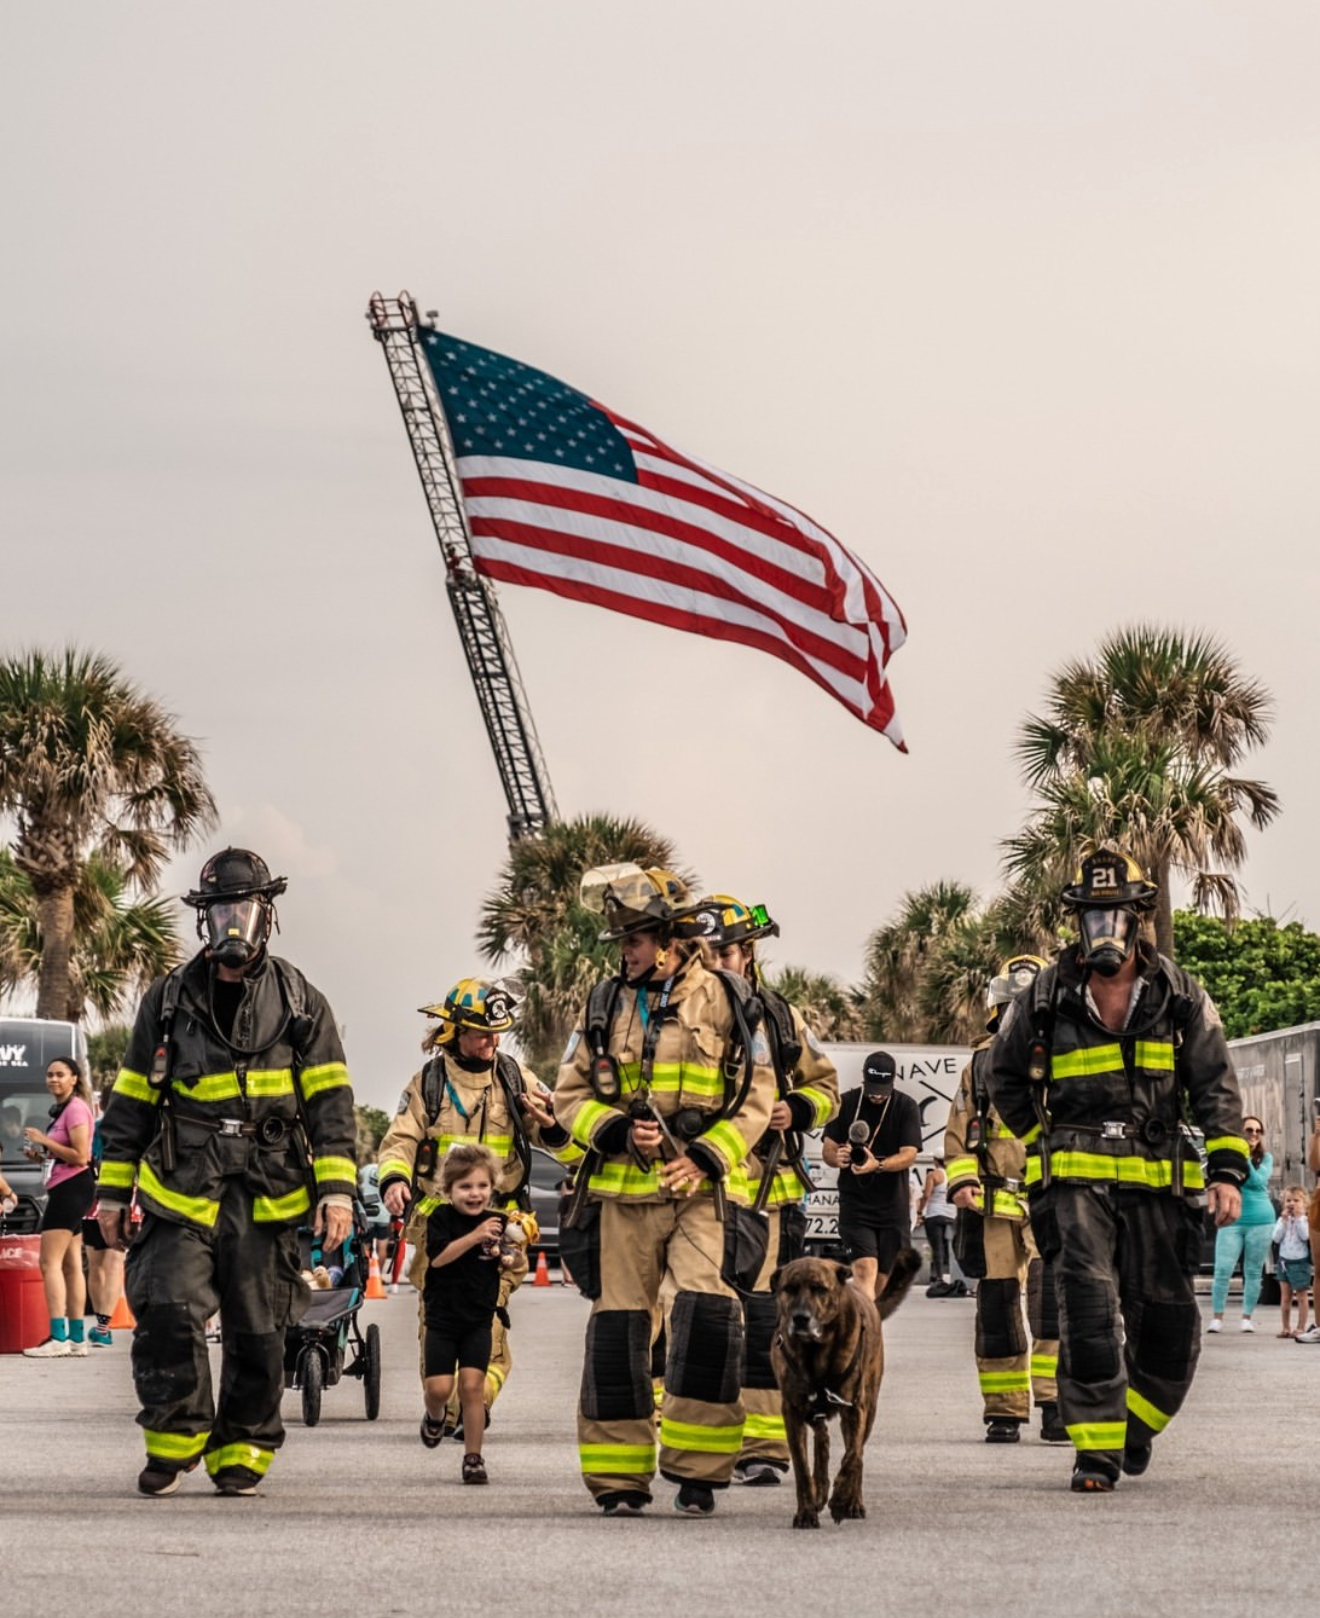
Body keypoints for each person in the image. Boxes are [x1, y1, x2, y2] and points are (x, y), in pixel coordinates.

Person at [95, 847, 357, 1498]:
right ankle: (176, 1435)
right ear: (203, 920)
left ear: (266, 916)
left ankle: (241, 1447)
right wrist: (109, 1191)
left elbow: (331, 1105)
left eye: (242, 909)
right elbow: (130, 1101)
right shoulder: (168, 1000)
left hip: (267, 1191)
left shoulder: (301, 1000)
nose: (230, 924)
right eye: (218, 912)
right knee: (165, 1309)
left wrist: (338, 1190)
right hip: (180, 1184)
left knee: (262, 1329)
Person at [991, 847, 1248, 1493]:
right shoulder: (1045, 994)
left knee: (1168, 1319)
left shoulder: (1178, 991)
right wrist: (1039, 1145)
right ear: (1077, 921)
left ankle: (1134, 1427)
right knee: (1087, 1307)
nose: (1104, 927)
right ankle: (1095, 1455)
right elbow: (1004, 1078)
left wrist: (1224, 1171)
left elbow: (1216, 1085)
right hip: (1074, 1180)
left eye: (1116, 914)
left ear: (1138, 917)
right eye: (1091, 915)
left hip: (1158, 1176)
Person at [553, 863, 776, 1518]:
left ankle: (699, 1470)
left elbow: (758, 1096)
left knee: (707, 1315)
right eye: (623, 940)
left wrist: (711, 1154)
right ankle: (618, 1479)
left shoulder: (734, 1001)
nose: (625, 951)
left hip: (703, 1193)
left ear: (671, 938)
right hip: (623, 1199)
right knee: (619, 1330)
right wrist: (617, 1131)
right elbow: (570, 1094)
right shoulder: (602, 1003)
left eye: (635, 938)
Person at [684, 893, 839, 1488]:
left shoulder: (778, 1016)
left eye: (731, 951)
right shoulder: (670, 1015)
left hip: (765, 1192)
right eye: (710, 952)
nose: (723, 961)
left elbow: (825, 1087)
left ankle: (765, 1444)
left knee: (762, 1319)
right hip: (693, 1195)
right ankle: (688, 1444)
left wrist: (795, 1109)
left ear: (749, 954)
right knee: (691, 1318)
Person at [377, 977, 579, 1430]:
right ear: (454, 1032)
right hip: (439, 1225)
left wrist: (551, 1127)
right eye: (482, 1033)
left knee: (489, 1317)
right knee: (438, 1318)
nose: (492, 1042)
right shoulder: (427, 1083)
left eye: (497, 1033)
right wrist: (393, 1180)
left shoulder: (514, 1077)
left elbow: (559, 1135)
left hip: (501, 1225)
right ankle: (444, 1402)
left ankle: (471, 1404)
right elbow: (400, 1140)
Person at [944, 955, 1065, 1444]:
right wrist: (962, 1180)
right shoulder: (981, 1066)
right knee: (997, 1308)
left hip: (1051, 1198)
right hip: (994, 1203)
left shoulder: (1067, 1057)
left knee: (1053, 1304)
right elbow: (958, 1131)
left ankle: (1056, 1403)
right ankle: (1005, 1411)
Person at [418, 1144, 518, 1483]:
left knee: (472, 1388)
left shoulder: (500, 1222)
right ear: (448, 1191)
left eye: (482, 1186)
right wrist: (476, 1236)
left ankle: (473, 1458)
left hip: (479, 1318)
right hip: (443, 1318)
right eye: (465, 1187)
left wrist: (510, 1257)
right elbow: (439, 1258)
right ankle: (433, 1417)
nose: (474, 1194)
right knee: (439, 1389)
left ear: (492, 1188)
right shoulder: (441, 1218)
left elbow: (517, 1260)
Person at [822, 1050, 922, 1302]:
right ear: (863, 1079)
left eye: (883, 1089)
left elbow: (909, 1154)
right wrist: (838, 1158)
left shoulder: (906, 1106)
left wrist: (875, 1165)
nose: (877, 1095)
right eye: (873, 1088)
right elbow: (828, 1150)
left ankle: (871, 1326)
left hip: (893, 1207)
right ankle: (864, 1331)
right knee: (865, 1269)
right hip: (856, 1205)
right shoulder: (845, 1103)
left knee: (883, 1282)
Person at [21, 1057, 96, 1357]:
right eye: (50, 1075)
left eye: (60, 1075)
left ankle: (58, 1337)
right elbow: (67, 1158)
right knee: (70, 1265)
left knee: (48, 1263)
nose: (53, 1080)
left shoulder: (76, 1109)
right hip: (69, 1185)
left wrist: (44, 1140)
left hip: (71, 1189)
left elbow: (81, 1156)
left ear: (74, 1079)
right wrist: (40, 1157)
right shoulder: (66, 1110)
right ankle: (77, 1338)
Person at [1208, 1115, 1274, 1334]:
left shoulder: (1266, 1159)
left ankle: (1246, 1318)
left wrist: (1243, 1154)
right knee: (1222, 1269)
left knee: (1253, 1271)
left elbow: (1257, 1181)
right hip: (1232, 1218)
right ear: (1240, 1132)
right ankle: (1217, 1318)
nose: (1253, 1134)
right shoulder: (1228, 1158)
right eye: (1248, 1130)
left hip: (1261, 1220)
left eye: (1258, 1131)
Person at [83, 1092, 127, 1347]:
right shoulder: (133, 1129)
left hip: (98, 1197)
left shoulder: (93, 1130)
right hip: (114, 1197)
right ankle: (103, 1325)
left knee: (102, 1262)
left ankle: (102, 1325)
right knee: (107, 1262)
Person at [1273, 1187, 1312, 1339]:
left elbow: (1305, 1236)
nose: (1292, 1204)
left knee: (1302, 1296)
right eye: (1288, 1200)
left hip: (1300, 1261)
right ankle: (1285, 1327)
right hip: (1284, 1260)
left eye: (1296, 1201)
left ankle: (1301, 1327)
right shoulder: (1282, 1220)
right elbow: (1276, 1238)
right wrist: (1283, 1220)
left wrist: (1300, 1218)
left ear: (1304, 1204)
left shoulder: (1305, 1220)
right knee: (1285, 1296)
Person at [917, 1158, 956, 1291]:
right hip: (951, 1214)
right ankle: (955, 1277)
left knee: (937, 1247)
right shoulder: (953, 1174)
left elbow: (926, 1195)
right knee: (953, 1248)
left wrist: (919, 1211)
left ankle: (938, 1277)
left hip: (934, 1214)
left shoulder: (933, 1175)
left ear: (935, 1161)